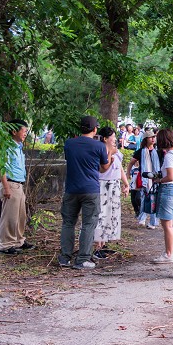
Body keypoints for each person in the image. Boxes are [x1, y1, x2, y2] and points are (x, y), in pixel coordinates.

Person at [59, 115, 113, 270]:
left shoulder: (69, 144)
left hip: (71, 189)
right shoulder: (99, 146)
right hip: (90, 189)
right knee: (88, 224)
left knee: (68, 223)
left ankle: (65, 257)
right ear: (95, 129)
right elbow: (104, 168)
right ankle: (82, 259)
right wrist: (109, 153)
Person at [93, 126, 130, 259]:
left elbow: (119, 168)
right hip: (103, 185)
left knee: (110, 215)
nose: (115, 139)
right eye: (112, 137)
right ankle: (97, 246)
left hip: (114, 185)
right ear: (105, 139)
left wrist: (126, 184)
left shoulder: (116, 152)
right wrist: (111, 153)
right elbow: (104, 166)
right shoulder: (100, 150)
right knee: (101, 215)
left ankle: (103, 244)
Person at [0, 119, 32, 255]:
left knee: (20, 216)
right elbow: (1, 168)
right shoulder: (7, 147)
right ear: (14, 131)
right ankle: (5, 245)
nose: (25, 134)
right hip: (10, 184)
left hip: (19, 185)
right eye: (24, 131)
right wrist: (6, 187)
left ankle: (19, 241)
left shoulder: (18, 147)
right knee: (9, 216)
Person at [151, 128, 173, 264]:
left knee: (167, 224)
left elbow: (170, 176)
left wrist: (158, 180)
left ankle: (169, 253)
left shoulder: (169, 156)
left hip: (169, 188)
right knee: (168, 223)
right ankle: (170, 252)